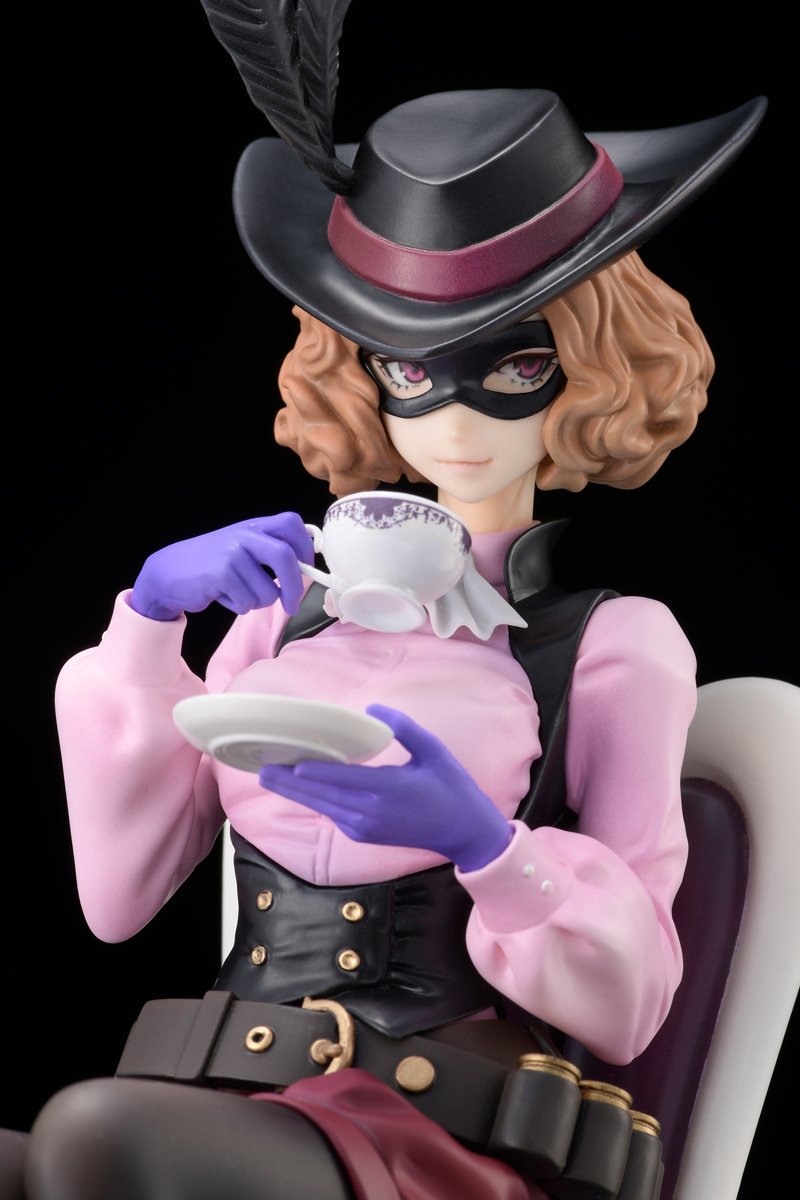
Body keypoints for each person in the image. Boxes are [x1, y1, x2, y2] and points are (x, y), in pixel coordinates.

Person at [19, 4, 767, 1197]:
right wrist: (149, 618)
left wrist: (485, 843)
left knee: (95, 1138)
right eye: (410, 372)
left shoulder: (604, 646)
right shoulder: (279, 624)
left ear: (591, 370)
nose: (453, 419)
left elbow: (631, 1003)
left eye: (513, 366)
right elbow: (118, 899)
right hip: (221, 1097)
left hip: (437, 1130)